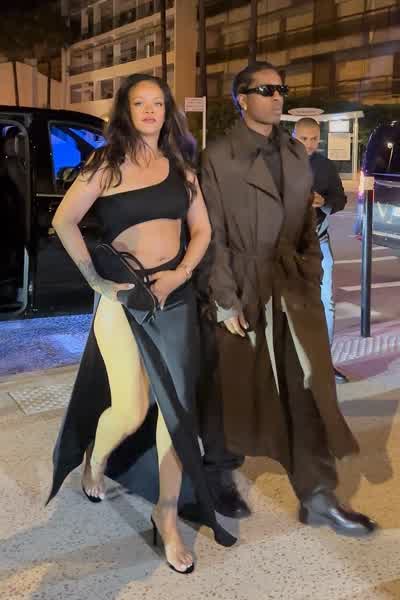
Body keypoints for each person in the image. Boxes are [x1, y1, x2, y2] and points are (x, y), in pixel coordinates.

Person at [46, 73, 235, 574]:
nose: (150, 110)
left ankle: (166, 516)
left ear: (167, 111)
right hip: (125, 301)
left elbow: (202, 230)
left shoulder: (181, 168)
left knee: (176, 413)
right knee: (130, 410)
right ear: (126, 112)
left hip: (174, 298)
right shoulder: (105, 164)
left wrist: (182, 273)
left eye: (157, 103)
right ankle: (96, 459)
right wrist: (96, 281)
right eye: (139, 103)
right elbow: (64, 220)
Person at [197, 61, 376, 536]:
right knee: (232, 387)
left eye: (281, 89)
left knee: (309, 387)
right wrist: (224, 298)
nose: (277, 97)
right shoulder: (219, 155)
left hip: (292, 287)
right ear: (242, 98)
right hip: (241, 285)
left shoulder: (296, 154)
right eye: (266, 90)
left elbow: (305, 226)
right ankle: (218, 473)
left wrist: (311, 273)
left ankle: (318, 494)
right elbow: (210, 232)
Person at [293, 117, 348, 383]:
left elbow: (341, 199)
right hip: (288, 245)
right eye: (303, 138)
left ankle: (324, 363)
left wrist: (324, 201)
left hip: (319, 240)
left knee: (327, 301)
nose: (309, 144)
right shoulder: (277, 162)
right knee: (291, 303)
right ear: (293, 136)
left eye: (314, 138)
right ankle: (294, 364)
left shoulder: (325, 166)